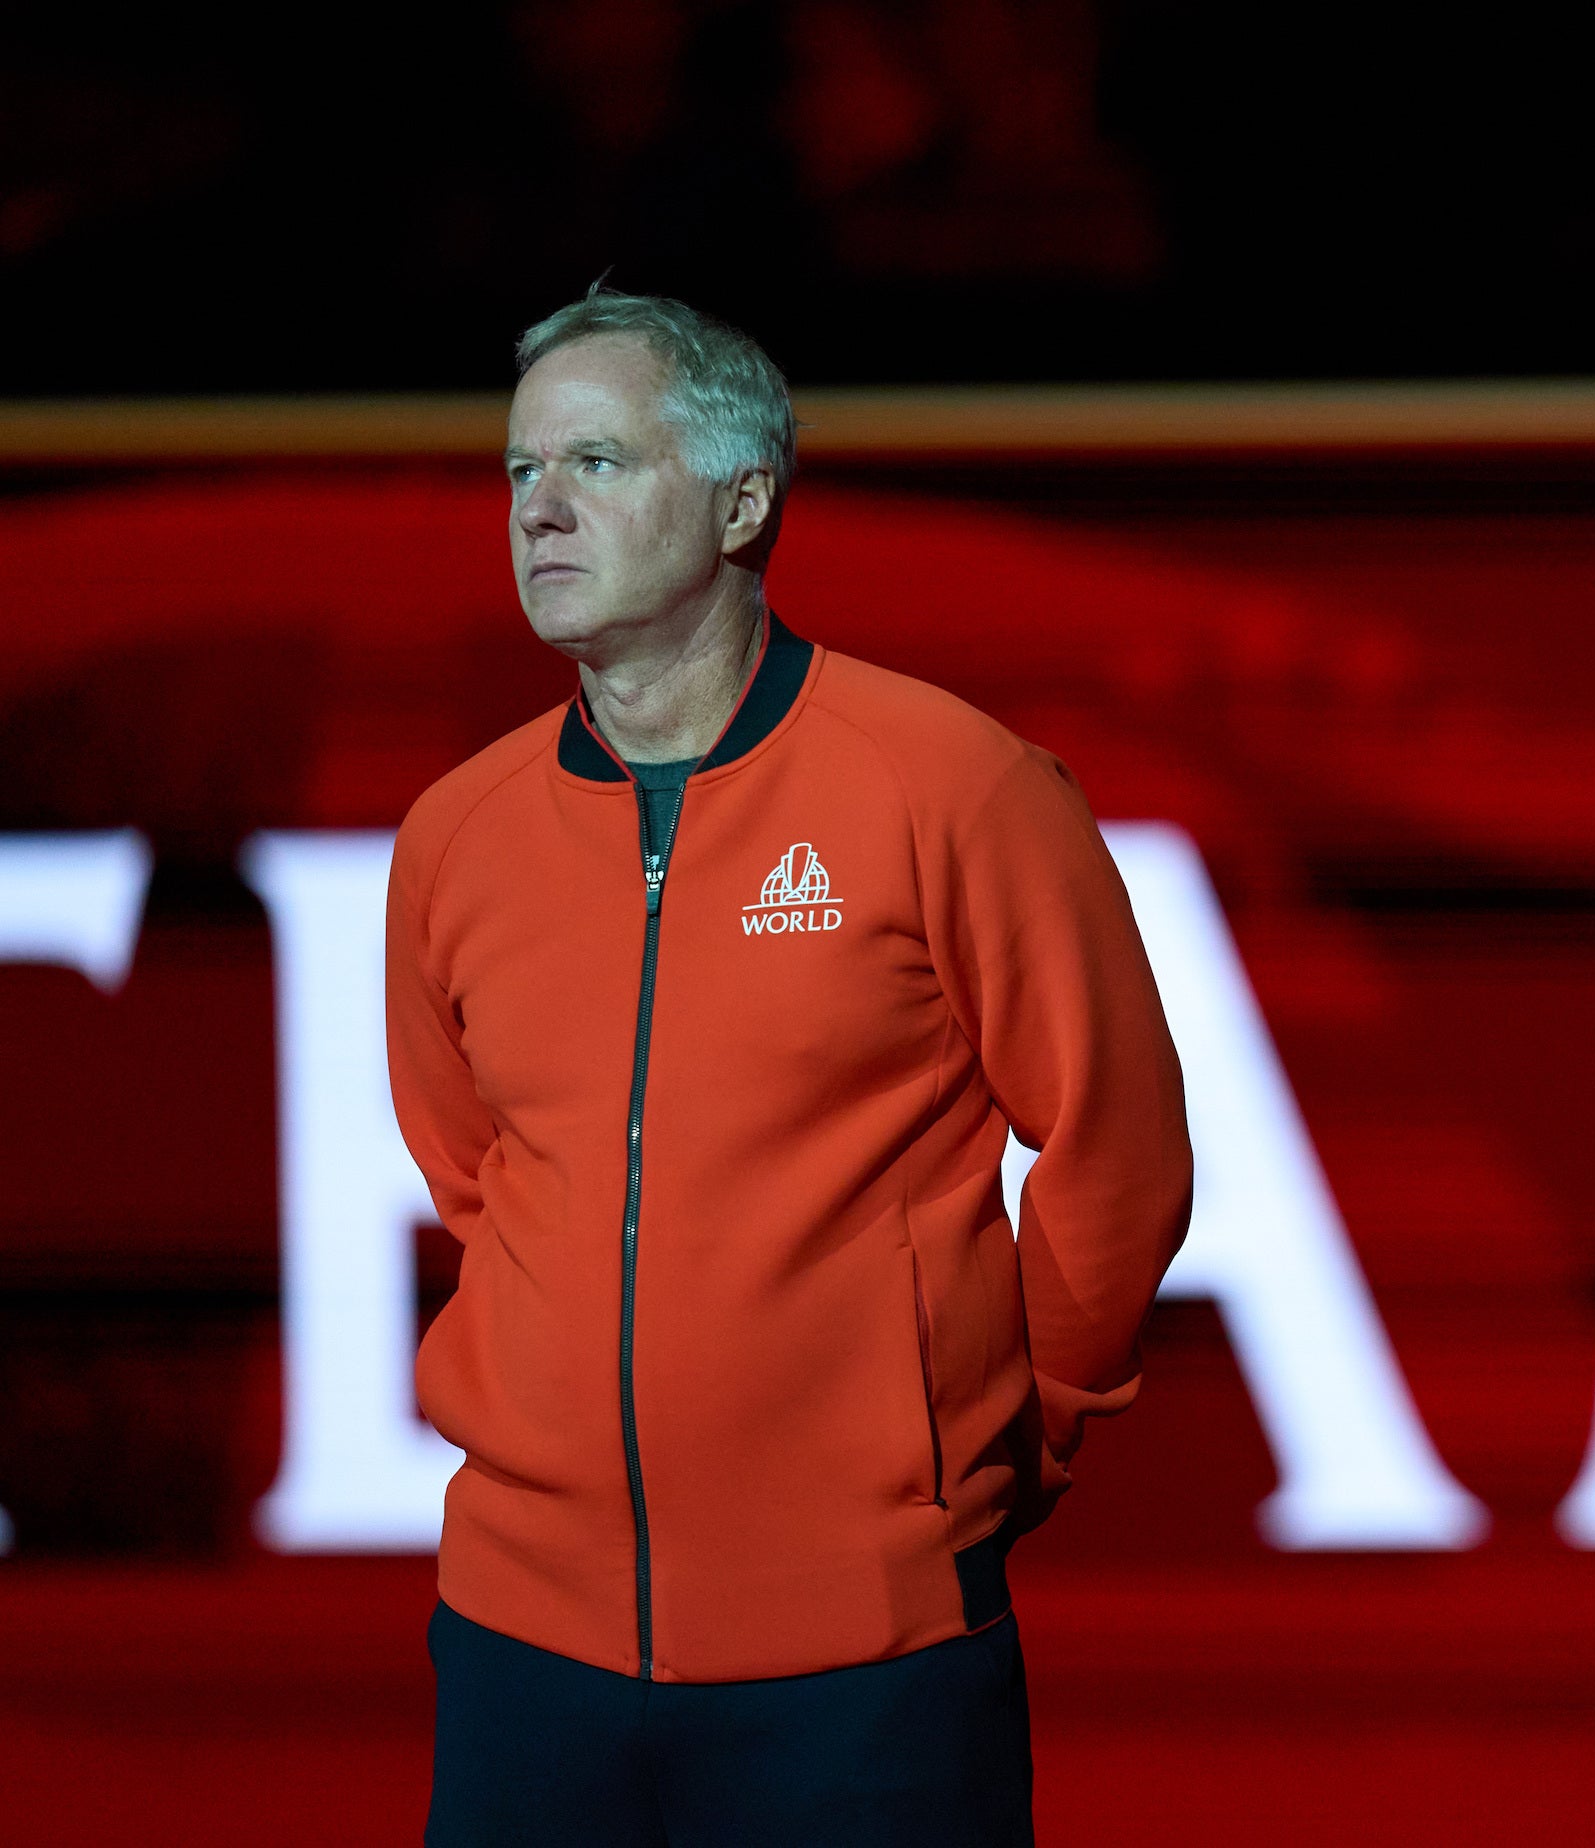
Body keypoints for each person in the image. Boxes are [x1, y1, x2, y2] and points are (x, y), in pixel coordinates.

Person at [387, 286, 1193, 1846]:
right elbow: (476, 1175)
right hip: (519, 1651)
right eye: (517, 472)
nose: (540, 508)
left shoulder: (949, 783)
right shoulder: (458, 835)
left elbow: (1119, 1147)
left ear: (743, 499)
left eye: (598, 464)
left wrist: (1008, 1438)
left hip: (864, 1666)